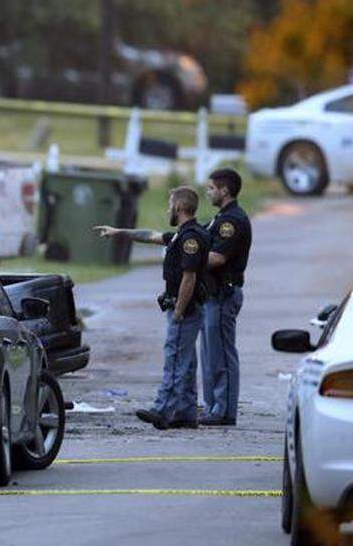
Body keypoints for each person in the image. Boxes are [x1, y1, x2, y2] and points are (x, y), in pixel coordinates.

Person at [93, 187, 210, 429]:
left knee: (175, 358)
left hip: (185, 309)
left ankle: (163, 409)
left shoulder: (191, 238)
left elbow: (189, 278)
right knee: (186, 363)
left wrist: (178, 310)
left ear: (179, 207)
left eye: (170, 204)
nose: (168, 208)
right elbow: (150, 235)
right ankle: (186, 412)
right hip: (183, 307)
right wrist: (119, 232)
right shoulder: (182, 235)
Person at [198, 169, 251, 426]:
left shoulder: (232, 221)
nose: (208, 192)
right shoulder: (220, 218)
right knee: (210, 356)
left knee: (221, 355)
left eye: (211, 188)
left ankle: (224, 410)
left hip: (223, 294)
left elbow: (218, 257)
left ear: (224, 190)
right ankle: (213, 407)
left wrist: (186, 259)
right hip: (212, 295)